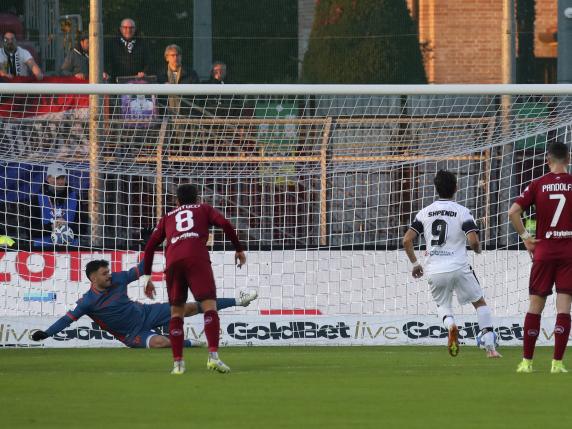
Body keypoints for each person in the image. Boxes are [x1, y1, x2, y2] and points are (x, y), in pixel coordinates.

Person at [31, 259, 257, 348]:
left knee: (189, 306)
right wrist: (47, 333)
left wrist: (156, 244)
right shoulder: (87, 302)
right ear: (93, 278)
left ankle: (240, 300)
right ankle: (194, 344)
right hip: (131, 334)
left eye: (109, 272)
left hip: (147, 312)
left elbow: (139, 269)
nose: (109, 275)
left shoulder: (118, 279)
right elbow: (66, 319)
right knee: (161, 343)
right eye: (104, 273)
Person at [142, 184, 246, 375]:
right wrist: (238, 249)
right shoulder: (204, 209)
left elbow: (149, 247)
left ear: (177, 201)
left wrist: (147, 277)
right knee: (209, 306)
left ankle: (178, 364)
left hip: (173, 262)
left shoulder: (168, 217)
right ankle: (213, 357)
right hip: (197, 259)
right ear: (197, 199)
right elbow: (225, 224)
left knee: (176, 313)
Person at [403, 170, 501, 358]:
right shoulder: (462, 212)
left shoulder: (425, 212)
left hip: (435, 268)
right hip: (459, 266)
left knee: (443, 306)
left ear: (436, 189)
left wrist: (416, 264)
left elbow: (407, 240)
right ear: (456, 188)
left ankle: (451, 325)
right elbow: (473, 241)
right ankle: (490, 348)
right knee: (479, 302)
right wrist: (478, 249)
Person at [509, 141, 572, 374]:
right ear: (568, 159)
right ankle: (557, 363)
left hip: (543, 252)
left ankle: (527, 362)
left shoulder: (537, 184)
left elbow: (513, 212)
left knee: (535, 305)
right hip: (568, 252)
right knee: (564, 306)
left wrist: (526, 236)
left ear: (548, 160)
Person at [29, 163, 82, 247]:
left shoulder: (75, 198)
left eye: (62, 178)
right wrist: (51, 227)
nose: (60, 181)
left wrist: (67, 227)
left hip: (71, 249)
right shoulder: (36, 199)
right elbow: (29, 230)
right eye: (57, 178)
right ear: (48, 178)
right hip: (43, 249)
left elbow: (83, 228)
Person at [156, 44, 199, 116]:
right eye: (172, 55)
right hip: (165, 115)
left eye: (178, 55)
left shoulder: (191, 74)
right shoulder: (160, 75)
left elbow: (197, 95)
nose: (176, 58)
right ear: (167, 58)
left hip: (187, 114)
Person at [105, 18, 149, 82]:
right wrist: (105, 72)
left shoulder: (142, 43)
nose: (128, 30)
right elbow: (105, 61)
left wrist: (144, 72)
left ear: (135, 29)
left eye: (131, 28)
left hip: (137, 82)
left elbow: (148, 62)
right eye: (125, 27)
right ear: (120, 29)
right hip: (115, 82)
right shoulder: (112, 43)